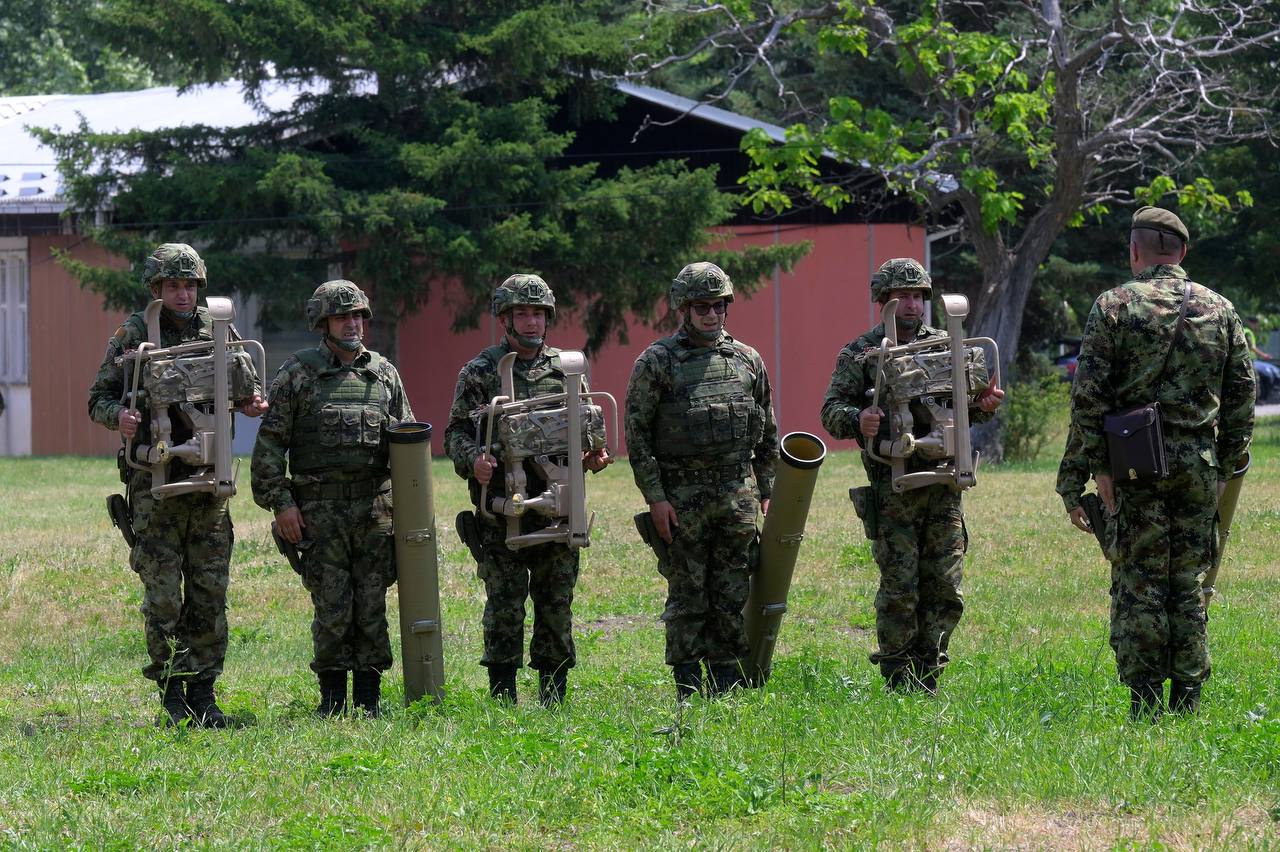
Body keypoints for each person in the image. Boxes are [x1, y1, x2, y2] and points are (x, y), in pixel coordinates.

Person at [1070, 206, 1254, 718]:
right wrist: (1225, 464)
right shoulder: (1220, 309)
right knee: (1189, 582)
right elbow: (1242, 393)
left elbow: (1089, 397)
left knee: (1139, 582)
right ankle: (1188, 699)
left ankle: (1145, 701)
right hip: (1197, 466)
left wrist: (1094, 471)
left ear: (1135, 251)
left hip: (1134, 465)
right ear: (1182, 253)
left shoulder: (1113, 306)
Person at [87, 243, 267, 727]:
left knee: (209, 592)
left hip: (210, 487)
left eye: (189, 285)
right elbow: (98, 397)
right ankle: (171, 698)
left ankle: (204, 697)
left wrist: (252, 405)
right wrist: (120, 418)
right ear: (156, 289)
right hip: (155, 485)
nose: (183, 294)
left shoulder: (219, 328)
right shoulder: (134, 333)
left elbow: (249, 390)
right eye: (173, 286)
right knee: (164, 595)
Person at [820, 258, 1004, 693]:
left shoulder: (947, 344)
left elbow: (965, 407)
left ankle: (930, 672)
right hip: (893, 489)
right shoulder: (860, 353)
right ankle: (898, 676)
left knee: (944, 584)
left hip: (944, 485)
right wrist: (857, 417)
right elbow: (830, 410)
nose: (912, 304)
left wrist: (984, 404)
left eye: (919, 296)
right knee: (900, 585)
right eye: (902, 296)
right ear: (882, 301)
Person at [445, 274, 612, 706]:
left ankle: (553, 698)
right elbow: (454, 434)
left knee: (556, 605)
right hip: (502, 512)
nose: (531, 321)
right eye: (522, 312)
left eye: (538, 313)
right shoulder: (481, 370)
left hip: (560, 509)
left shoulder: (568, 367)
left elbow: (586, 429)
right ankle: (503, 698)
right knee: (504, 606)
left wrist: (594, 457)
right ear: (505, 318)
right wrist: (474, 461)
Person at [251, 280, 413, 718]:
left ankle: (369, 699)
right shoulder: (297, 374)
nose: (353, 324)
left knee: (372, 604)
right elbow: (268, 450)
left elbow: (408, 446)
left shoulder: (384, 374)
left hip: (375, 512)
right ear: (323, 323)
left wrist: (409, 513)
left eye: (359, 316)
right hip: (319, 514)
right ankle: (332, 701)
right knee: (332, 606)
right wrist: (283, 504)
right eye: (343, 317)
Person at [625, 262, 778, 701]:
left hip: (736, 495)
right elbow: (636, 437)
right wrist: (656, 498)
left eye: (718, 306)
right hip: (681, 498)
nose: (711, 315)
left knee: (731, 592)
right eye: (701, 307)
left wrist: (766, 491)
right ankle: (688, 688)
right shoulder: (657, 363)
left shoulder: (747, 360)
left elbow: (767, 430)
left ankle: (726, 684)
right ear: (684, 309)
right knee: (689, 594)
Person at [1244, 316, 1280, 402]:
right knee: (1255, 379)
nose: (1257, 326)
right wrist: (1264, 355)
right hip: (1248, 360)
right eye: (1256, 324)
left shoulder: (1246, 330)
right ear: (1251, 323)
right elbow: (1251, 347)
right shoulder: (1248, 332)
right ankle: (1256, 400)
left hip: (1247, 359)